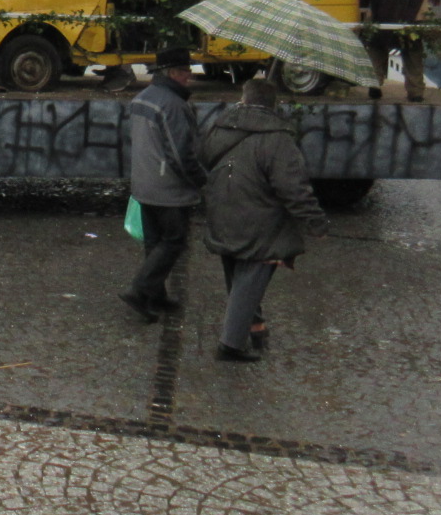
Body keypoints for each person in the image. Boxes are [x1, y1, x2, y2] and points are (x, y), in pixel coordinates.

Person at [199, 77, 329, 362]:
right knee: (253, 274)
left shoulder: (219, 126)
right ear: (274, 104)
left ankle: (254, 326)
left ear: (243, 99)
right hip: (259, 217)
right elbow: (293, 187)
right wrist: (315, 222)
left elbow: (204, 158)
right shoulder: (278, 138)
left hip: (222, 208)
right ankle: (231, 344)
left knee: (237, 269)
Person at [120, 46, 209, 322]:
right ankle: (140, 290)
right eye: (185, 71)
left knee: (154, 242)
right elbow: (180, 154)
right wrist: (201, 181)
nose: (189, 76)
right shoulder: (173, 105)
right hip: (168, 189)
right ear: (172, 73)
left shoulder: (142, 98)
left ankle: (155, 297)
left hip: (144, 184)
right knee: (174, 241)